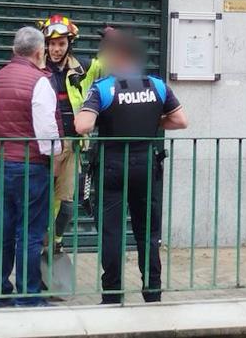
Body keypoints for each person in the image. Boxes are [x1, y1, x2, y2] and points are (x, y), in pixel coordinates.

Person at [75, 26, 187, 304]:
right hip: (146, 164)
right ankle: (152, 292)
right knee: (147, 233)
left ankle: (112, 295)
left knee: (112, 233)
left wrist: (100, 117)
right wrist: (153, 123)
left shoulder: (103, 88)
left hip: (112, 165)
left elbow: (83, 125)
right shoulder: (157, 86)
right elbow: (181, 121)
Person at [0, 27, 62, 307]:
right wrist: (54, 156)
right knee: (30, 232)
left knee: (1, 228)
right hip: (31, 166)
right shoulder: (40, 82)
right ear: (40, 52)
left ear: (15, 50)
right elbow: (47, 131)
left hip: (1, 163)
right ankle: (28, 296)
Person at [38, 14, 101, 251]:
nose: (55, 49)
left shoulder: (84, 67)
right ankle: (39, 246)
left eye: (61, 44)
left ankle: (55, 243)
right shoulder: (37, 67)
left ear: (69, 44)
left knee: (65, 203)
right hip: (45, 145)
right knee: (42, 200)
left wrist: (115, 42)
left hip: (72, 145)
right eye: (52, 44)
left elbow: (113, 65)